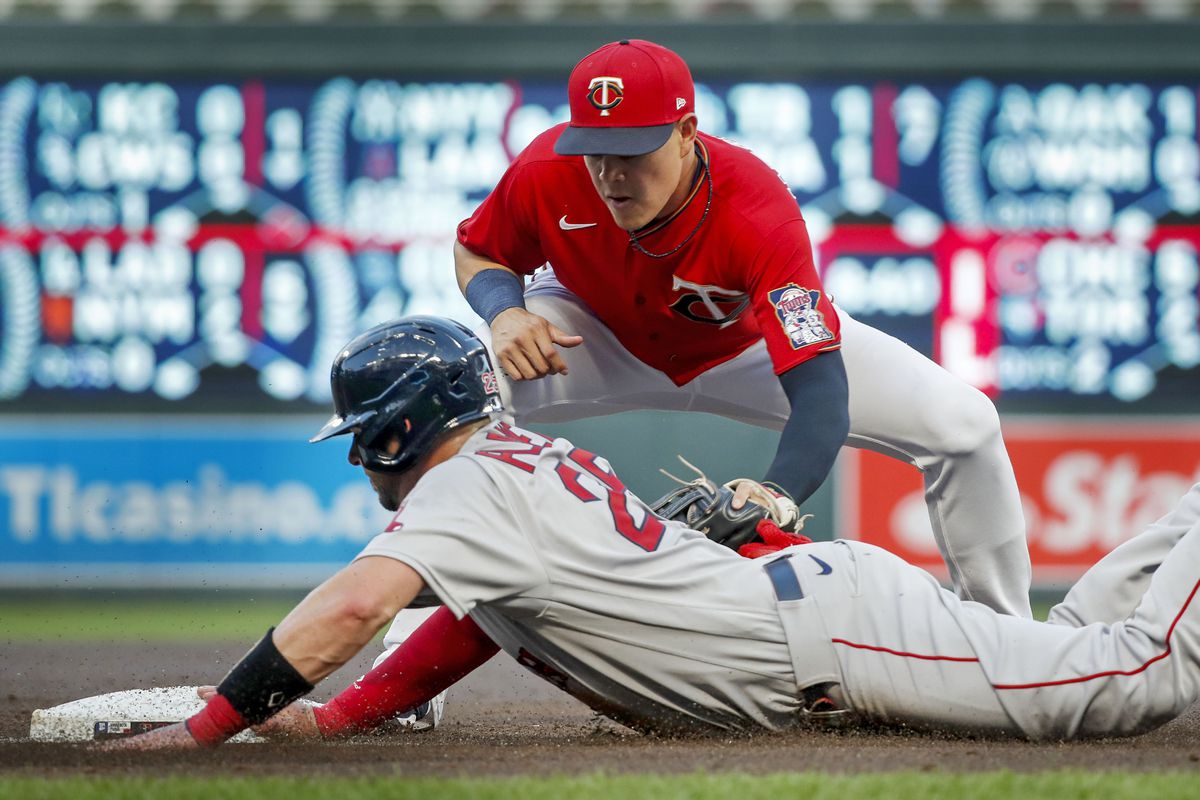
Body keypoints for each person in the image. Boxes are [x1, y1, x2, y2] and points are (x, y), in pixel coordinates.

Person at [114, 317, 1200, 750]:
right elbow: (476, 620)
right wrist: (343, 716)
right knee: (1090, 645)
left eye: (366, 435)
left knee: (1136, 680)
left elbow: (355, 604)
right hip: (819, 612)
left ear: (402, 424)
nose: (361, 459)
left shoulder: (463, 491)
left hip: (832, 633)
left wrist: (210, 725)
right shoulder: (506, 471)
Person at [382, 36, 1034, 728]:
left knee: (967, 426)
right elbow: (480, 246)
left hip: (744, 351)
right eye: (595, 150)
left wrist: (779, 492)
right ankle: (404, 682)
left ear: (688, 133)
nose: (609, 173)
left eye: (633, 151)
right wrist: (505, 311)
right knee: (452, 402)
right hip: (589, 334)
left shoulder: (757, 208)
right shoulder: (547, 169)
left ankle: (1012, 652)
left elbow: (819, 390)